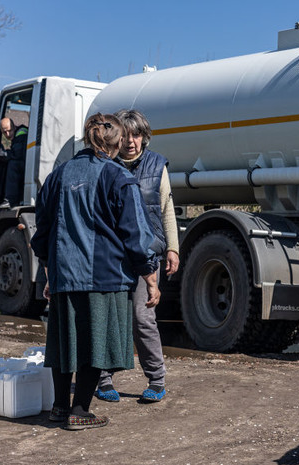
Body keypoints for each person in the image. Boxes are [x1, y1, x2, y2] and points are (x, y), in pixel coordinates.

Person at [30, 113, 160, 430]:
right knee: (94, 345)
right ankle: (79, 410)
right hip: (105, 277)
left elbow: (41, 234)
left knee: (65, 344)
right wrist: (150, 276)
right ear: (116, 144)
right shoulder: (119, 178)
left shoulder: (57, 176)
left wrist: (49, 272)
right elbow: (136, 234)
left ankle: (60, 408)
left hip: (64, 277)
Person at [95, 109, 179, 403]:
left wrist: (172, 247)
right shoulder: (106, 165)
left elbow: (166, 208)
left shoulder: (157, 164)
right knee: (109, 319)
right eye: (127, 134)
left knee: (143, 318)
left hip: (147, 254)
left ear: (144, 137)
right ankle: (103, 380)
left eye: (137, 134)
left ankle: (156, 379)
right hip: (113, 256)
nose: (132, 141)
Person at [0, 117, 28, 209]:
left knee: (13, 163)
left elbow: (16, 154)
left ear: (14, 126)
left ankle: (11, 200)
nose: (8, 134)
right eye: (4, 132)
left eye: (10, 130)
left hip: (27, 168)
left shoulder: (22, 133)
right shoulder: (17, 135)